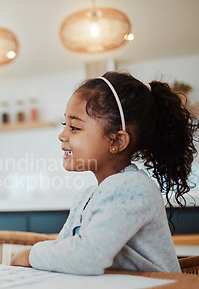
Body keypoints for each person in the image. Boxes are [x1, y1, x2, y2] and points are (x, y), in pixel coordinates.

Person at [12, 71, 198, 274]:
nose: (62, 135)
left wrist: (30, 255)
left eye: (74, 127)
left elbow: (86, 257)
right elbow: (65, 257)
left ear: (117, 141)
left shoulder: (133, 187)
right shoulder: (86, 197)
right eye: (65, 124)